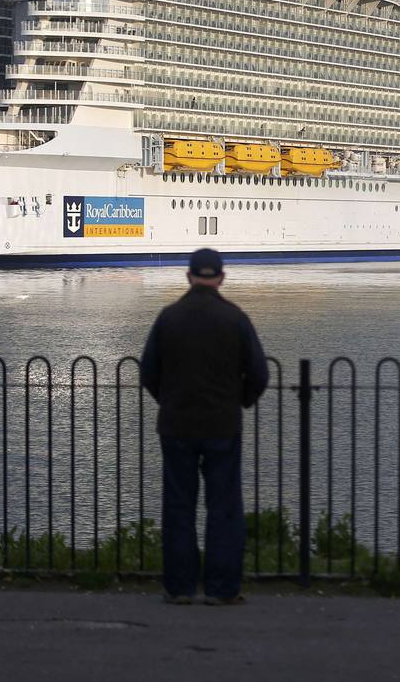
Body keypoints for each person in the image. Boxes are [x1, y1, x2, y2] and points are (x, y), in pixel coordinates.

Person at [140, 248, 268, 605]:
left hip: (176, 425)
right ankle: (221, 589)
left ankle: (179, 588)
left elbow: (147, 371)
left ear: (188, 276)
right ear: (222, 278)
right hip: (222, 426)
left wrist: (168, 400)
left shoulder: (168, 318)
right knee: (224, 508)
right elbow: (259, 373)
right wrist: (238, 401)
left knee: (179, 507)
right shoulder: (235, 318)